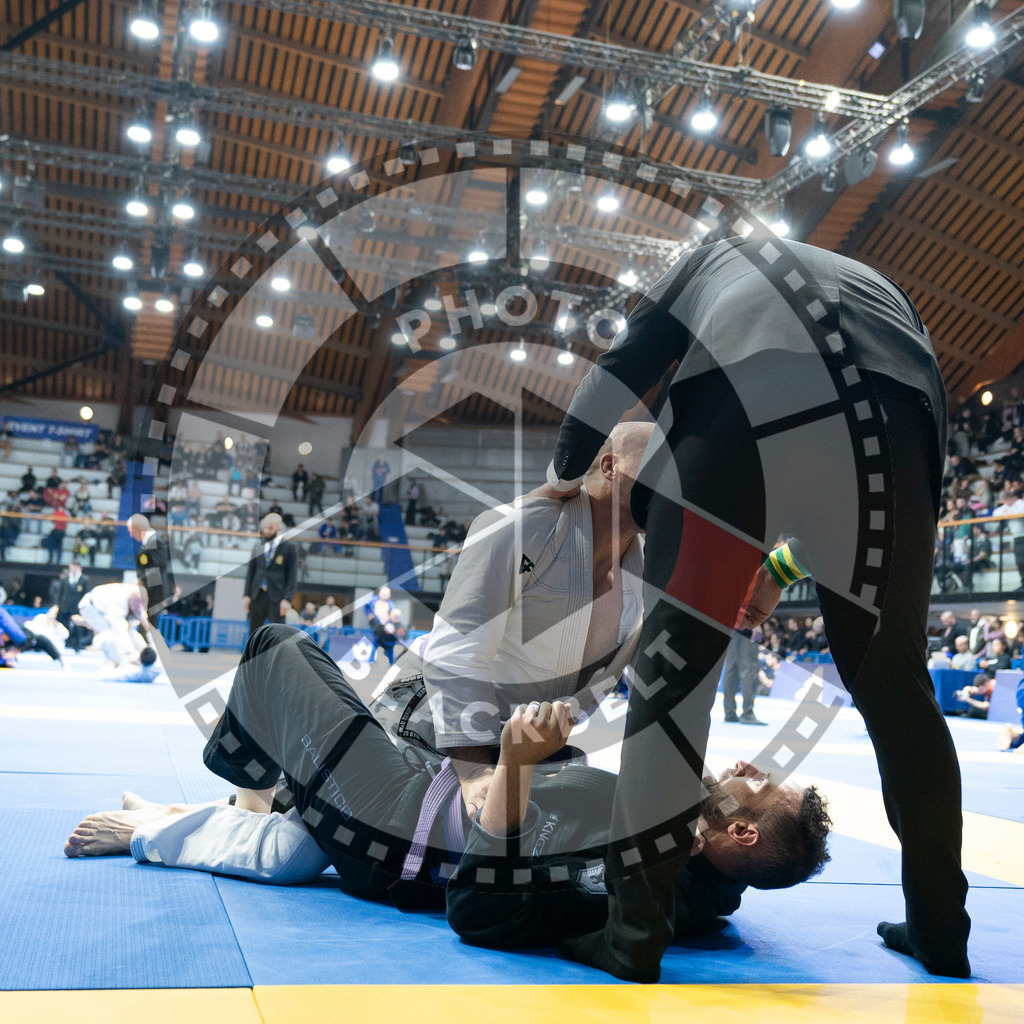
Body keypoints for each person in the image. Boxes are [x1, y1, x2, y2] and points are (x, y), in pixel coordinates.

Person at [544, 232, 971, 980]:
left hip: (743, 392)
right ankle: (942, 931)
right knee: (898, 691)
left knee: (675, 686)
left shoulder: (715, 255)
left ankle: (633, 938)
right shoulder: (882, 286)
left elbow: (624, 367)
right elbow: (846, 458)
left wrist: (564, 474)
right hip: (898, 419)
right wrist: (784, 559)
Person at [63, 626, 832, 953]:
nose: (747, 773)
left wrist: (519, 765)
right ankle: (277, 802)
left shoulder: (642, 880)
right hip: (427, 794)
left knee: (276, 652)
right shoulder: (691, 859)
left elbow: (480, 907)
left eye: (757, 791)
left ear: (741, 837)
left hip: (398, 830)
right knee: (433, 663)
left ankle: (254, 795)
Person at [377, 423, 651, 820]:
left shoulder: (652, 575)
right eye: (663, 464)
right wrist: (474, 772)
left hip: (528, 752)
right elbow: (455, 652)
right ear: (610, 466)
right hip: (427, 723)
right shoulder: (522, 525)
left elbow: (658, 693)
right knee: (297, 851)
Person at [73, 582, 151, 668]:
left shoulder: (141, 595)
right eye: (134, 607)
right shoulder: (118, 602)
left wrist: (145, 649)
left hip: (104, 609)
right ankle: (117, 662)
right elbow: (120, 630)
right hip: (90, 607)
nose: (135, 608)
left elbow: (134, 625)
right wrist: (131, 653)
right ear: (129, 600)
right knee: (111, 634)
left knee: (128, 630)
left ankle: (86, 622)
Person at [242, 513, 298, 630]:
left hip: (277, 596)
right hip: (257, 594)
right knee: (253, 631)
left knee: (277, 631)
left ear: (279, 527)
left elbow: (292, 576)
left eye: (270, 528)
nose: (267, 531)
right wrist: (246, 595)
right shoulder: (258, 546)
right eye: (265, 527)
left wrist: (287, 599)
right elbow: (251, 572)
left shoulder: (289, 547)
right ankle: (253, 649)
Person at [127, 514, 181, 617]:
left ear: (138, 528)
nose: (131, 535)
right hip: (149, 591)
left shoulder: (155, 541)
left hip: (154, 592)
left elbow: (160, 565)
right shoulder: (148, 542)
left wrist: (141, 579)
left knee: (148, 625)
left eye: (131, 531)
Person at [720, 628, 765, 725]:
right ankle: (747, 713)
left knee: (731, 670)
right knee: (749, 670)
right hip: (747, 629)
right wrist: (756, 624)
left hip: (731, 629)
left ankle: (729, 712)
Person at [0, 606, 65, 668]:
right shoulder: (41, 617)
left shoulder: (17, 633)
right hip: (22, 636)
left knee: (42, 640)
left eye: (55, 613)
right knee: (6, 656)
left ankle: (63, 662)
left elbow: (28, 641)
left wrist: (14, 653)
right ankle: (9, 659)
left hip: (32, 638)